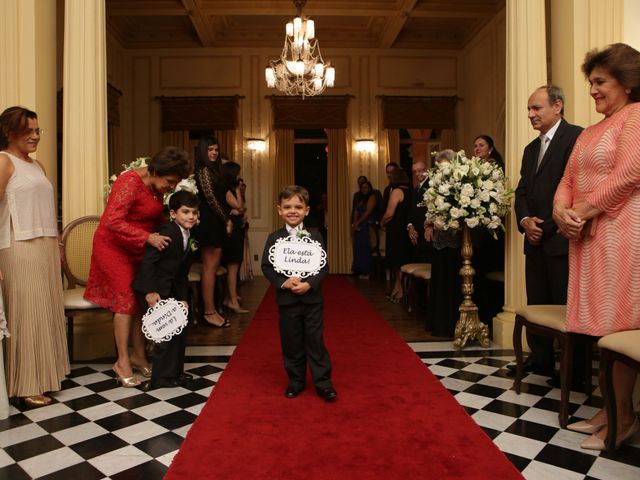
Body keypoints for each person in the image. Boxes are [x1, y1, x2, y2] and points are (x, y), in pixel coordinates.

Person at [553, 43, 640, 450]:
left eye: (600, 82)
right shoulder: (589, 131)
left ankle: (624, 419)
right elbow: (567, 180)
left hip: (622, 235)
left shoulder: (636, 117)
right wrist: (561, 212)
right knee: (603, 329)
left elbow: (629, 175)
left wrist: (582, 211)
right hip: (588, 239)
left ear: (627, 82)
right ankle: (610, 410)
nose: (592, 90)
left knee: (619, 326)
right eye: (591, 82)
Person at [85, 146, 190, 387]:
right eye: (170, 181)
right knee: (125, 301)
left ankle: (138, 355)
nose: (172, 187)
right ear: (155, 171)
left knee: (140, 299)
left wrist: (177, 229)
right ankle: (122, 361)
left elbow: (154, 218)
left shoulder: (156, 185)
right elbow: (112, 221)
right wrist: (148, 238)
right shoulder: (129, 182)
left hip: (137, 248)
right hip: (112, 247)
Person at [511, 85, 583, 378]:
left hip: (561, 239)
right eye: (529, 109)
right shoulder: (530, 149)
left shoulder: (576, 137)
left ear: (558, 106)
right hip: (534, 240)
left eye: (536, 108)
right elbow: (522, 191)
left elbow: (576, 189)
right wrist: (526, 220)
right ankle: (541, 360)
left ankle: (573, 369)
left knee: (565, 306)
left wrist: (546, 225)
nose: (530, 114)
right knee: (537, 301)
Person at [0, 106, 69, 406]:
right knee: (26, 315)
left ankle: (45, 376)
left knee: (45, 311)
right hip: (18, 245)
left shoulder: (37, 165)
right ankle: (26, 384)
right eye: (27, 131)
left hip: (43, 246)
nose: (34, 136)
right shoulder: (4, 162)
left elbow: (45, 207)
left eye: (37, 130)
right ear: (9, 132)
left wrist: (57, 242)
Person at [261, 185, 336, 402]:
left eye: (298, 207)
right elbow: (267, 267)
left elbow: (324, 267)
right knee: (291, 341)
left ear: (307, 210)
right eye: (287, 207)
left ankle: (323, 383)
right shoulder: (274, 238)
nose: (292, 211)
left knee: (315, 340)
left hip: (312, 300)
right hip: (287, 301)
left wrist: (309, 284)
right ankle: (296, 381)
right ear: (279, 210)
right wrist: (284, 282)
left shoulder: (315, 235)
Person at [132, 190, 199, 389]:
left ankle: (175, 373)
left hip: (172, 290)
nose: (191, 216)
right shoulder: (167, 232)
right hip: (155, 289)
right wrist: (151, 292)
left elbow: (180, 272)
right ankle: (160, 378)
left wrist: (182, 299)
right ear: (172, 214)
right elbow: (148, 263)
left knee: (179, 330)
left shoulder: (188, 233)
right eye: (185, 212)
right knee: (165, 335)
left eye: (194, 213)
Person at [193, 135, 232, 327]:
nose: (214, 153)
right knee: (210, 268)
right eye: (210, 150)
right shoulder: (203, 171)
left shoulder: (213, 170)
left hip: (215, 221)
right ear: (203, 152)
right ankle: (209, 312)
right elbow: (211, 199)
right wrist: (226, 219)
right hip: (210, 222)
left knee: (213, 268)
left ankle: (210, 309)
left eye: (216, 149)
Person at [424, 149, 462, 338]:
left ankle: (450, 324)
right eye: (439, 165)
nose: (441, 168)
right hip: (439, 240)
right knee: (439, 280)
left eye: (444, 164)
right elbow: (430, 207)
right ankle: (437, 323)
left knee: (451, 281)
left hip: (455, 239)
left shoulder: (460, 183)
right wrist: (429, 222)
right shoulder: (435, 185)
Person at [472, 135, 505, 327]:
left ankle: (488, 316)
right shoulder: (478, 167)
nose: (477, 148)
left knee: (483, 271)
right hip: (480, 227)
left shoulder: (493, 167)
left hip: (490, 227)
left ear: (490, 148)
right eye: (475, 145)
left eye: (481, 145)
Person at [380, 168, 412, 303]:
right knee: (402, 261)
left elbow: (389, 213)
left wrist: (381, 222)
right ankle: (398, 289)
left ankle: (399, 290)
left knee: (396, 261)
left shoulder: (397, 191)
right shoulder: (411, 191)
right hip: (406, 230)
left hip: (396, 230)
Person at [221, 160, 249, 314]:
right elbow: (239, 206)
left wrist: (240, 210)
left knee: (234, 267)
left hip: (236, 230)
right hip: (232, 234)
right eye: (237, 172)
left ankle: (228, 299)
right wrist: (238, 190)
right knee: (232, 268)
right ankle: (232, 302)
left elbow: (242, 209)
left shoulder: (229, 189)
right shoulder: (227, 190)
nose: (239, 175)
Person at [406, 160, 432, 263]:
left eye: (420, 171)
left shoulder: (431, 186)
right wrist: (410, 226)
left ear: (426, 170)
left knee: (426, 266)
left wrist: (431, 226)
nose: (417, 174)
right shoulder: (416, 188)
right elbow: (411, 210)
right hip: (416, 234)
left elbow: (434, 209)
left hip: (427, 234)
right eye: (415, 172)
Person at [351, 180, 377, 277]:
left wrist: (358, 222)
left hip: (366, 224)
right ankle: (358, 270)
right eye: (362, 187)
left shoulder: (372, 197)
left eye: (366, 187)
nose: (364, 189)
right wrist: (354, 223)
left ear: (369, 188)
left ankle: (366, 271)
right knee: (357, 248)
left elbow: (368, 212)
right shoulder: (359, 198)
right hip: (358, 225)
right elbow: (356, 211)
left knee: (365, 248)